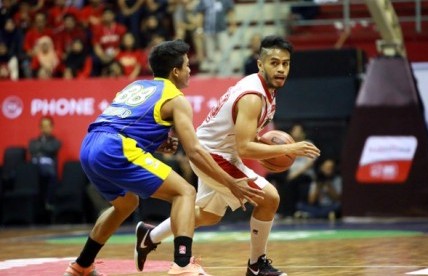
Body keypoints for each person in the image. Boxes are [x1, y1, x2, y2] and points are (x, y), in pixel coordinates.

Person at [64, 39, 263, 276]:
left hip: (90, 145)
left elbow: (122, 123)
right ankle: (182, 264)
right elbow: (195, 152)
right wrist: (230, 183)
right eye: (187, 65)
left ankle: (82, 265)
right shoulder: (176, 99)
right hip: (114, 147)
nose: (190, 70)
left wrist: (158, 143)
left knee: (126, 204)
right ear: (175, 71)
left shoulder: (135, 86)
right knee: (185, 192)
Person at [141, 35, 320, 276]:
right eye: (274, 63)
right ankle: (256, 265)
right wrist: (289, 149)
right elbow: (245, 148)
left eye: (285, 64)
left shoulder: (264, 89)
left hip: (219, 148)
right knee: (269, 198)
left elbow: (243, 138)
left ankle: (148, 236)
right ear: (260, 64)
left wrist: (264, 143)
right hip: (212, 153)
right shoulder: (253, 97)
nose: (280, 69)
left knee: (208, 215)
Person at [28, 116, 62, 214]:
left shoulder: (56, 142)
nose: (45, 128)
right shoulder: (34, 141)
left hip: (48, 167)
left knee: (50, 173)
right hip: (34, 166)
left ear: (51, 127)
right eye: (43, 126)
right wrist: (43, 148)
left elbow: (51, 148)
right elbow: (31, 149)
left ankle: (49, 201)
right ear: (40, 128)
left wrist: (39, 149)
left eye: (47, 126)